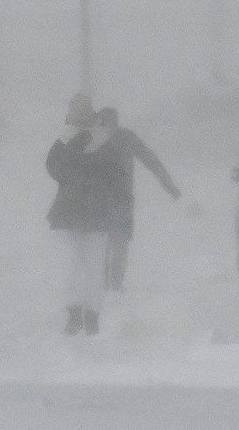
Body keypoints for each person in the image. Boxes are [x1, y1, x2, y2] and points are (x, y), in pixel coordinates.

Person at [46, 93, 121, 335]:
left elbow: (110, 174)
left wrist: (80, 147)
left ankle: (90, 316)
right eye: (73, 108)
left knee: (92, 267)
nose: (75, 113)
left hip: (92, 214)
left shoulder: (102, 140)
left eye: (79, 109)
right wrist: (78, 145)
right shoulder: (65, 140)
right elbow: (56, 169)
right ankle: (75, 313)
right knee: (71, 265)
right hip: (73, 213)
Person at [96, 107, 181, 293]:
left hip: (115, 201)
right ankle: (107, 286)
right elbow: (150, 160)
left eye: (105, 122)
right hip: (107, 201)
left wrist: (169, 185)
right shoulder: (105, 140)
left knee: (114, 244)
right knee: (108, 245)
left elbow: (150, 160)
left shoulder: (119, 139)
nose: (105, 127)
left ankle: (113, 286)